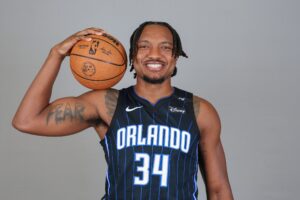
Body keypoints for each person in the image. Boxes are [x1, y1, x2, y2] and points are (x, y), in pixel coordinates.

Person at [12, 21, 233, 199]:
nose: (154, 54)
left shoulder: (199, 111)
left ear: (175, 57)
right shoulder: (106, 104)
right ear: (132, 57)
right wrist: (56, 54)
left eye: (166, 47)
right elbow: (27, 120)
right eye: (144, 46)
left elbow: (218, 189)